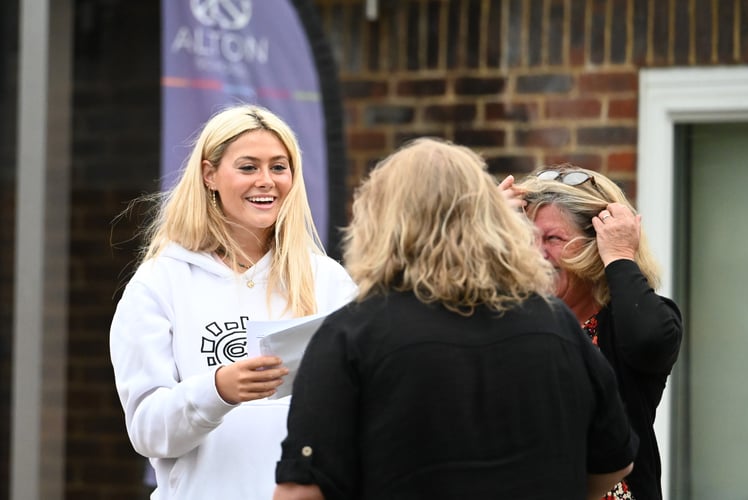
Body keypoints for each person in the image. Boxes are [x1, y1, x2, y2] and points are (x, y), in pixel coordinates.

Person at [273, 138, 638, 500]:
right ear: (491, 219)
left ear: (378, 221)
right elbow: (615, 463)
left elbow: (301, 491)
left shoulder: (350, 337)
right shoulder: (554, 324)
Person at [109, 104, 357, 500]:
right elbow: (148, 431)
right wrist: (219, 389)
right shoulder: (160, 283)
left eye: (279, 167)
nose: (266, 181)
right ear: (210, 175)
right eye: (248, 167)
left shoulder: (327, 280)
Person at [502, 166, 683, 499]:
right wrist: (479, 240)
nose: (537, 254)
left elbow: (649, 340)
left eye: (552, 239)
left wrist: (619, 255)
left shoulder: (624, 324)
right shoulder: (506, 319)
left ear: (595, 247)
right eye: (527, 240)